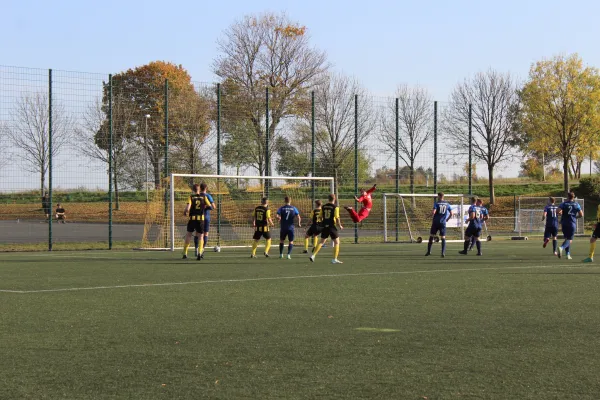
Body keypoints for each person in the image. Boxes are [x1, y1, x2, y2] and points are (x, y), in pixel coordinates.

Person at [310, 193, 344, 264]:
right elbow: (337, 217)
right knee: (337, 242)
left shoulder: (323, 206)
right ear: (334, 199)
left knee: (321, 242)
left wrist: (323, 221)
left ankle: (313, 255)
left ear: (328, 199)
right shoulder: (335, 207)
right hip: (331, 226)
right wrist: (340, 225)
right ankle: (334, 259)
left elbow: (319, 216)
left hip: (324, 226)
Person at [182, 184, 212, 260]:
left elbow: (188, 208)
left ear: (193, 189)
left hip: (192, 219)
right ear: (199, 189)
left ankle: (185, 253)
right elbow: (210, 206)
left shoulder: (191, 197)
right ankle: (199, 252)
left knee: (188, 235)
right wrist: (203, 206)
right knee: (201, 236)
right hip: (200, 219)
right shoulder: (204, 197)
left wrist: (185, 212)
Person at [557, 192, 583, 260]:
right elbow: (581, 214)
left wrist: (560, 213)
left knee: (567, 238)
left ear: (567, 197)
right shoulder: (576, 204)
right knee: (570, 239)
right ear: (573, 197)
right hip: (572, 223)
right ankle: (562, 248)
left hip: (564, 223)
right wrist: (575, 217)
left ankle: (568, 254)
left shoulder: (564, 204)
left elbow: (557, 211)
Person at [426, 192, 453, 258]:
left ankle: (429, 251)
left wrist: (428, 216)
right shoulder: (447, 204)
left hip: (435, 222)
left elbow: (433, 212)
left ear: (438, 196)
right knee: (443, 237)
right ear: (443, 196)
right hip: (443, 223)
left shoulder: (436, 203)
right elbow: (451, 213)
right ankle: (443, 252)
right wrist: (447, 219)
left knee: (432, 236)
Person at [194, 182, 216, 256]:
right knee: (205, 234)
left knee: (197, 233)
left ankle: (196, 249)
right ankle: (202, 250)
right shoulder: (208, 196)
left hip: (198, 217)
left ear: (200, 188)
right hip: (206, 217)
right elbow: (213, 207)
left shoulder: (197, 196)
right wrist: (206, 206)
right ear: (206, 188)